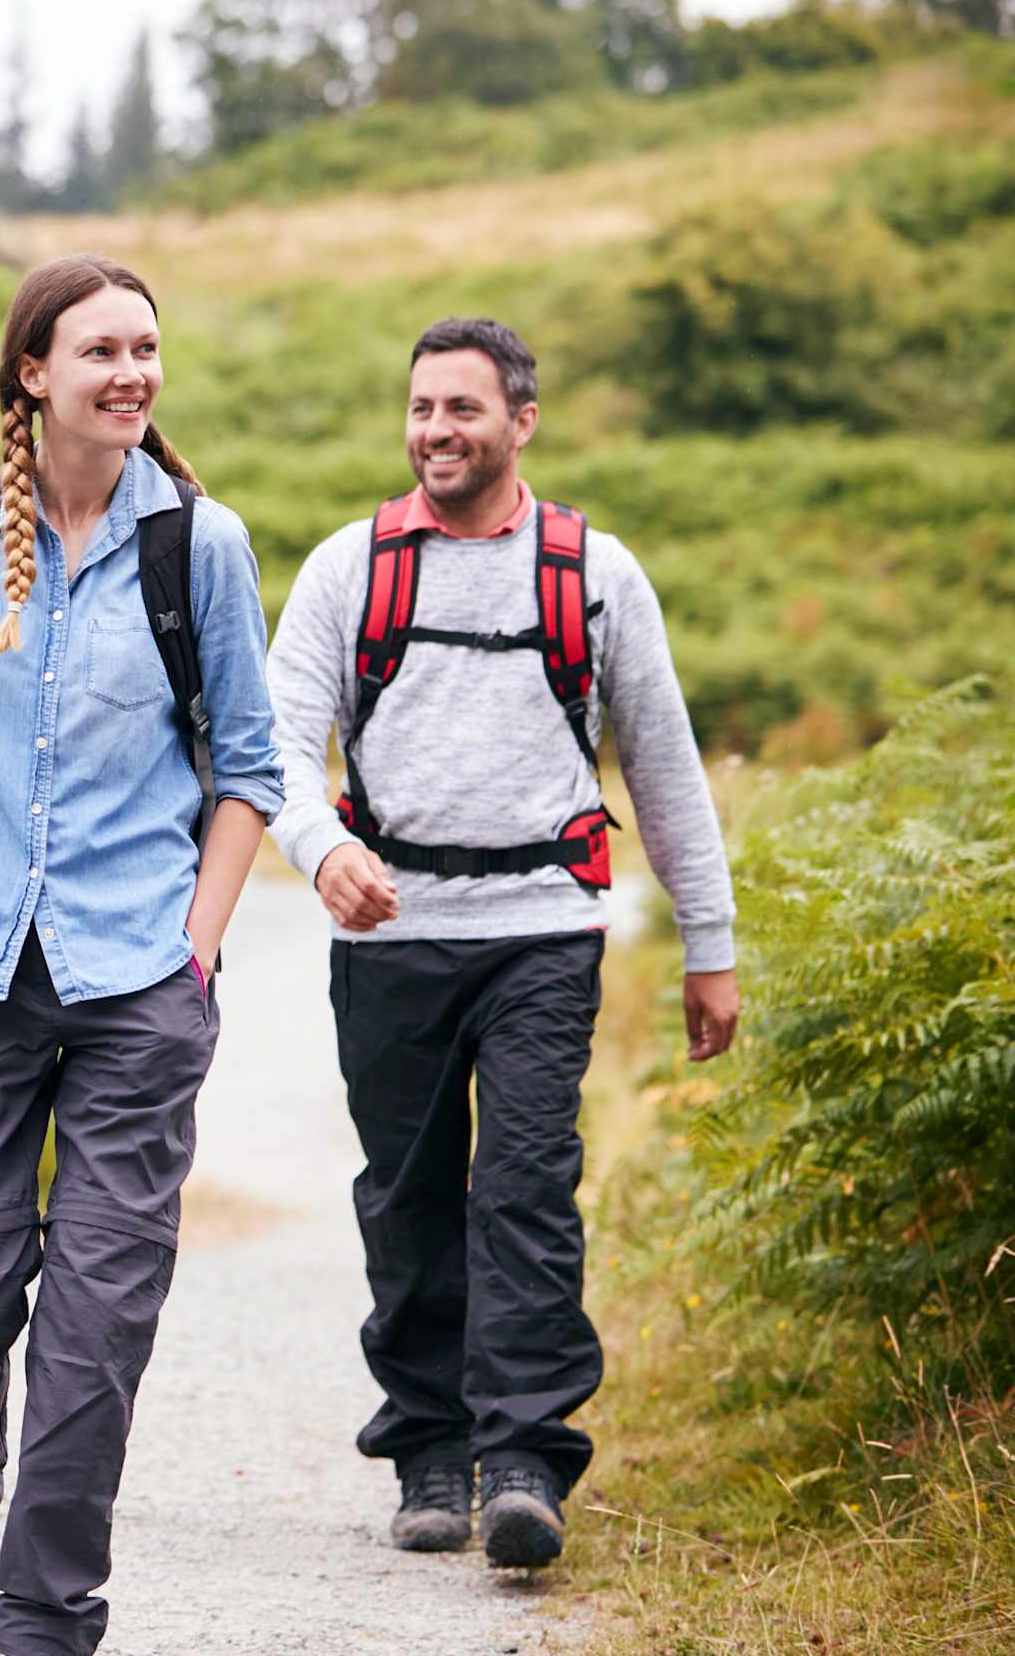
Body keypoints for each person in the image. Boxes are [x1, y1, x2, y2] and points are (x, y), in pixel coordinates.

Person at [0, 255, 283, 1656]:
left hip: (135, 985)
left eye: (148, 348)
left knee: (94, 1332)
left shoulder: (196, 543)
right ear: (35, 372)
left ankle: (45, 1616)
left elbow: (250, 770)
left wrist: (194, 955)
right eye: (103, 351)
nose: (133, 373)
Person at [264, 317, 738, 1569]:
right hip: (391, 934)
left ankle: (523, 1458)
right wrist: (324, 851)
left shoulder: (594, 573)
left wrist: (709, 942)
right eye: (420, 409)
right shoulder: (347, 569)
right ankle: (429, 1451)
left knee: (524, 1187)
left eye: (461, 410)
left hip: (542, 929)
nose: (435, 432)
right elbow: (274, 747)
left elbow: (664, 766)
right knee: (407, 1199)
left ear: (520, 422)